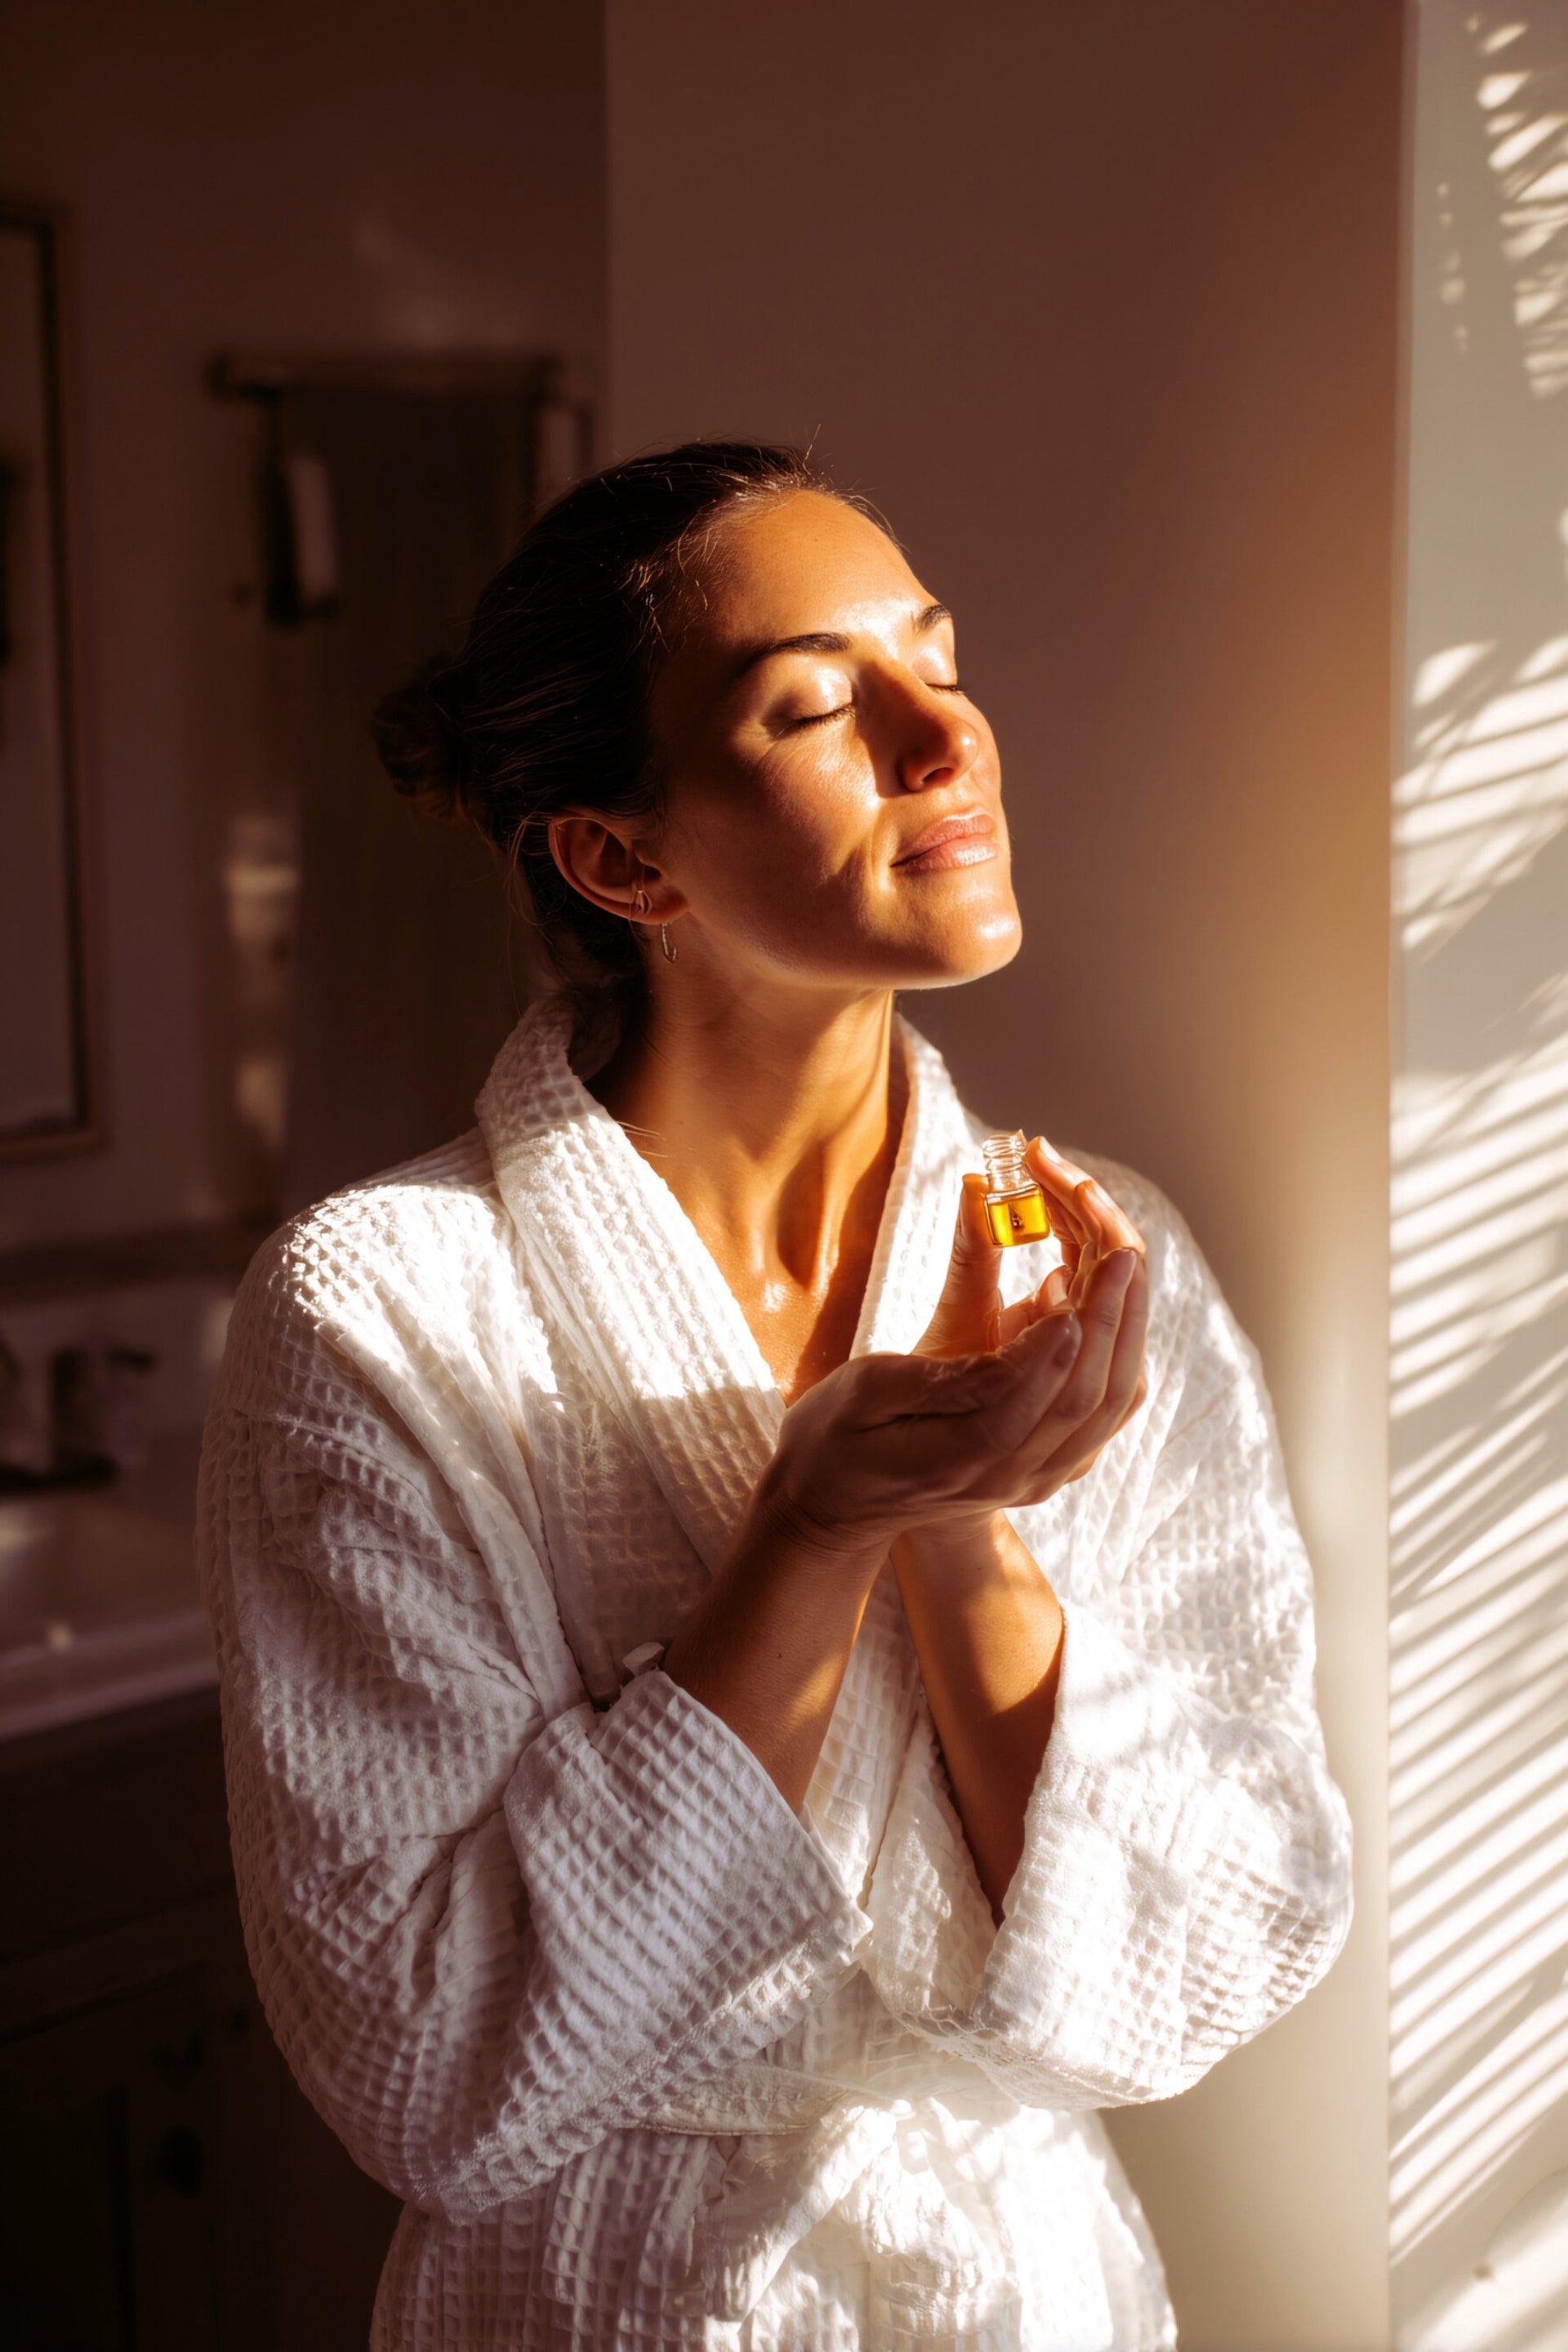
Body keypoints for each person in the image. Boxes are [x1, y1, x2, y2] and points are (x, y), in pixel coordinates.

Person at [199, 442, 1352, 2351]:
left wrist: (962, 1517)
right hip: (599, 2301)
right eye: (814, 705)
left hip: (1029, 2292)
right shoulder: (380, 1312)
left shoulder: (1081, 1262)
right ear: (620, 854)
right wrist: (809, 1535)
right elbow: (424, 2068)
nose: (942, 738)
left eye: (940, 661)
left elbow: (1213, 1949)